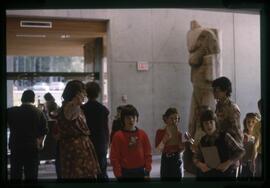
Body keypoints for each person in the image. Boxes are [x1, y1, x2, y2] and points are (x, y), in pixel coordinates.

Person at [56, 80, 100, 179]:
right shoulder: (72, 107)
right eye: (83, 92)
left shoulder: (67, 107)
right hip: (77, 151)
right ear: (77, 93)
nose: (85, 95)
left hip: (72, 148)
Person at [7, 89, 48, 180]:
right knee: (31, 174)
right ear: (33, 99)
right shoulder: (39, 113)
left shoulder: (11, 111)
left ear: (22, 99)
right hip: (32, 146)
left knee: (15, 173)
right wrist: (41, 143)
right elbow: (44, 130)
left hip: (16, 145)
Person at [193, 109, 245, 178]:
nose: (209, 125)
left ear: (215, 123)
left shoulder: (225, 136)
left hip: (225, 175)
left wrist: (228, 163)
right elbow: (195, 157)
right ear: (203, 126)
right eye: (206, 123)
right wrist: (200, 164)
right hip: (209, 176)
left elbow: (241, 151)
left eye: (211, 122)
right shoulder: (203, 140)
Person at [110, 104, 152, 180]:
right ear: (123, 119)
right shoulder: (118, 136)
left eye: (133, 117)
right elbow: (114, 157)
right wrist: (118, 174)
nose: (131, 120)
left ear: (137, 118)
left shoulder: (143, 134)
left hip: (140, 171)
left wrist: (147, 170)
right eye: (128, 118)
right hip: (125, 172)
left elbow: (148, 153)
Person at [81, 81, 110, 181]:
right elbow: (106, 128)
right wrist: (107, 142)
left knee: (88, 170)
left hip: (86, 143)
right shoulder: (103, 109)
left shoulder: (82, 109)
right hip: (101, 142)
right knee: (101, 170)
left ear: (86, 93)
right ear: (98, 93)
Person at [155, 108, 185, 180]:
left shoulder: (179, 133)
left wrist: (182, 146)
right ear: (166, 119)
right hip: (166, 159)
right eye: (172, 118)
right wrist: (165, 139)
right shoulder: (160, 132)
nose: (175, 121)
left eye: (177, 119)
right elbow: (158, 150)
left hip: (177, 159)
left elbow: (181, 150)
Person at [212, 76, 243, 145]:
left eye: (216, 90)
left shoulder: (232, 108)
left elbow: (235, 130)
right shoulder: (218, 106)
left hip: (233, 145)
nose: (213, 93)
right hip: (222, 142)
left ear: (225, 91)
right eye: (213, 90)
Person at [239, 113, 260, 178]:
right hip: (244, 164)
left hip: (255, 163)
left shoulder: (258, 135)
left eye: (253, 122)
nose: (250, 124)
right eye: (248, 122)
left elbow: (256, 147)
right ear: (245, 122)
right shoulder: (242, 135)